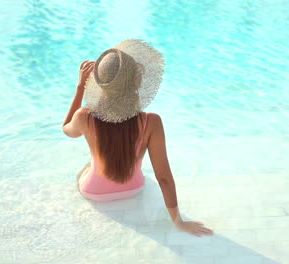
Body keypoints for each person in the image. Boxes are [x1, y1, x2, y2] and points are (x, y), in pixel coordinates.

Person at [62, 39, 213, 237]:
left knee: (86, 167)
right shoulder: (151, 122)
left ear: (98, 83)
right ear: (137, 81)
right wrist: (178, 221)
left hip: (94, 192)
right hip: (133, 188)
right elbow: (164, 178)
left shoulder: (83, 117)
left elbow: (67, 130)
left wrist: (80, 88)